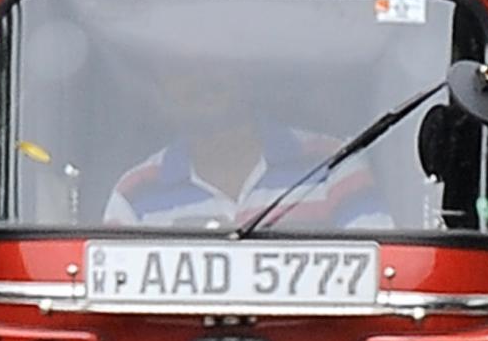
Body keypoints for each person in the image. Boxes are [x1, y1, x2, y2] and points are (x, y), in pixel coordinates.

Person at [104, 57, 388, 230]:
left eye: (214, 61)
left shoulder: (332, 165)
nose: (201, 79)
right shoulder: (134, 192)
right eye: (180, 68)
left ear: (244, 75)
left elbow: (382, 273)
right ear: (162, 88)